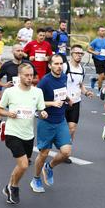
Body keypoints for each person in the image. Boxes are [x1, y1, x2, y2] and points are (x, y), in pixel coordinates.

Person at [0, 63, 47, 204]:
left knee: (21, 165)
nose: (30, 78)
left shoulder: (38, 93)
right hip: (12, 133)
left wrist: (43, 113)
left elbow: (40, 110)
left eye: (32, 75)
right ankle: (14, 187)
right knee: (24, 165)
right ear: (20, 76)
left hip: (28, 135)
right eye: (27, 75)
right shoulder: (10, 92)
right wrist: (8, 113)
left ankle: (8, 187)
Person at [30, 54, 72, 193]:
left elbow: (61, 93)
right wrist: (52, 103)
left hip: (60, 120)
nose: (59, 67)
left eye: (61, 64)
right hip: (46, 122)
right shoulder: (45, 82)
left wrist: (67, 98)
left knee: (66, 152)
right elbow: (35, 101)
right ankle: (36, 178)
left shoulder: (64, 77)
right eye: (56, 64)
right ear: (50, 65)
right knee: (44, 153)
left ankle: (49, 167)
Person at [64, 45, 93, 163]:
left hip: (75, 102)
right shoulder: (65, 66)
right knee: (57, 128)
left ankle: (66, 153)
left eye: (81, 54)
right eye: (77, 53)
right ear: (71, 53)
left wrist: (86, 93)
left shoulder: (82, 69)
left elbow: (80, 85)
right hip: (62, 102)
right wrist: (65, 98)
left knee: (72, 129)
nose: (79, 55)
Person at [87, 26, 105, 95]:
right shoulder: (95, 41)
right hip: (97, 58)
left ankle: (94, 80)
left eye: (104, 31)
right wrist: (94, 52)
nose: (103, 32)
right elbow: (88, 49)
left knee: (104, 77)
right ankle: (99, 91)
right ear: (98, 32)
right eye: (102, 31)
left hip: (104, 58)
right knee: (101, 75)